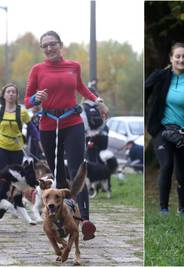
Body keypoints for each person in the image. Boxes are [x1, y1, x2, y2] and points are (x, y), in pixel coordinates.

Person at [24, 31, 109, 239]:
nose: (49, 48)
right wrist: (36, 97)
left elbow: (81, 88)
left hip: (72, 123)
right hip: (48, 125)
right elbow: (27, 100)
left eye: (52, 44)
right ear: (42, 49)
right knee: (57, 173)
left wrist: (98, 101)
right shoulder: (37, 70)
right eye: (45, 46)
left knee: (77, 169)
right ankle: (61, 220)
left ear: (60, 44)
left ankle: (85, 222)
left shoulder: (73, 66)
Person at [145, 42, 184, 216]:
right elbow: (145, 90)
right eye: (177, 56)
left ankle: (182, 208)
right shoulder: (160, 76)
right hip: (163, 130)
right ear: (171, 58)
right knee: (167, 165)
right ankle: (163, 209)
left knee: (182, 172)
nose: (181, 59)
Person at [0, 83, 31, 170]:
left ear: (17, 95)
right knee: (2, 175)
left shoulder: (23, 112)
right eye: (8, 92)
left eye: (13, 92)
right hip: (2, 147)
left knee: (16, 176)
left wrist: (40, 141)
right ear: (3, 95)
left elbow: (32, 129)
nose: (11, 94)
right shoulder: (0, 111)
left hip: (17, 148)